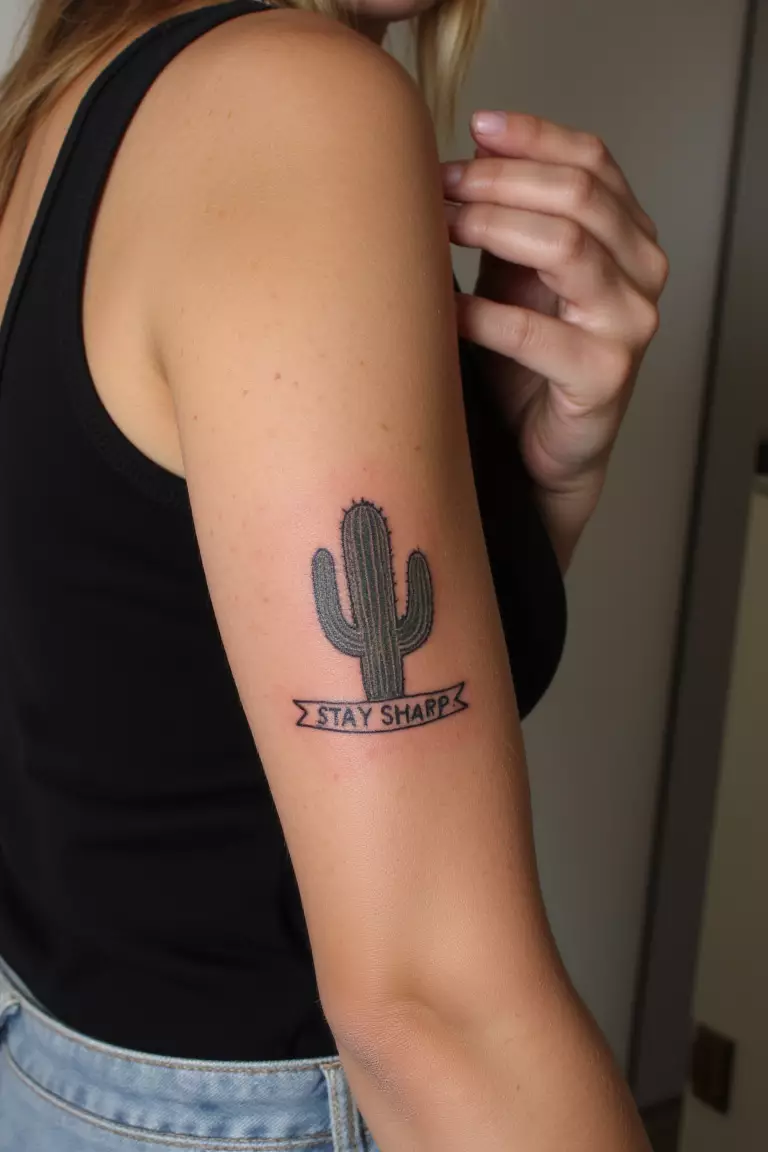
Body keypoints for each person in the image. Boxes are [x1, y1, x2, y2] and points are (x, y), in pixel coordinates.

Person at [0, 0, 668, 1148]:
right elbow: (435, 1011)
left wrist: (538, 475)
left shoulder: (59, 110)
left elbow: (170, 701)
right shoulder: (292, 102)